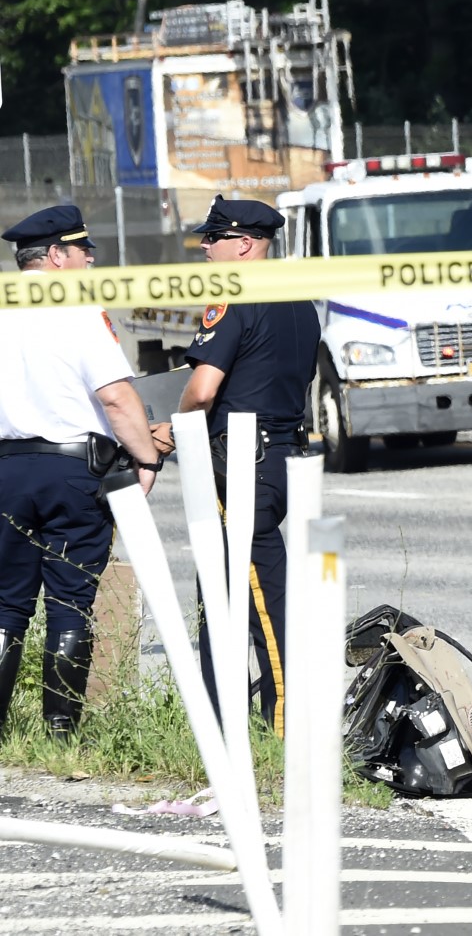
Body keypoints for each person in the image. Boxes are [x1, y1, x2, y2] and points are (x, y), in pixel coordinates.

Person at [152, 196, 320, 737]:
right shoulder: (298, 297)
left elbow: (201, 392)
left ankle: (282, 729)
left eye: (214, 238)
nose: (204, 247)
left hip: (240, 466)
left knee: (260, 604)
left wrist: (169, 429)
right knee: (230, 594)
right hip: (279, 454)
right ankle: (227, 725)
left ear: (244, 243)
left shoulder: (231, 294)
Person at [0, 206, 162, 740]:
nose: (91, 258)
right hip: (72, 471)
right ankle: (60, 733)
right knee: (71, 603)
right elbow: (116, 397)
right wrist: (147, 457)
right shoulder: (77, 307)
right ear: (55, 256)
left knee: (6, 603)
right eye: (82, 250)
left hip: (7, 470)